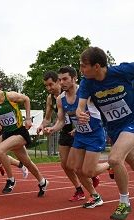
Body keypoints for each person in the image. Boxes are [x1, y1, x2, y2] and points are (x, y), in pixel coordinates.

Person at [76, 46, 134, 220]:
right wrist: (81, 112)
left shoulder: (124, 70)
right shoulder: (87, 82)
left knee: (115, 159)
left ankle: (124, 202)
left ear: (97, 66)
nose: (81, 69)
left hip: (133, 122)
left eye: (83, 65)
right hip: (114, 128)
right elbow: (81, 105)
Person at [0, 74, 48, 198]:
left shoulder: (10, 96)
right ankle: (43, 181)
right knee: (27, 162)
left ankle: (11, 179)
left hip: (20, 132)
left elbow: (26, 99)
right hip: (7, 133)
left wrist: (28, 118)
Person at [44, 66, 108, 209]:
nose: (62, 82)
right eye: (60, 80)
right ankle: (95, 196)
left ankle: (112, 164)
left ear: (74, 78)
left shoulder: (86, 92)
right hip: (80, 135)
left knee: (88, 171)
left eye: (65, 79)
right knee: (74, 167)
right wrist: (52, 129)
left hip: (95, 134)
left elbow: (103, 109)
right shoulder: (60, 99)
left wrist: (91, 116)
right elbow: (61, 121)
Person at [37, 71, 90, 201]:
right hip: (64, 130)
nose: (49, 88)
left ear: (58, 82)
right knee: (64, 165)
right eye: (46, 86)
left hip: (80, 130)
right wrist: (42, 126)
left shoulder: (73, 93)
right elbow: (48, 118)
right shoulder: (52, 99)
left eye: (51, 84)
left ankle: (93, 175)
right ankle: (79, 189)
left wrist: (77, 127)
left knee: (76, 165)